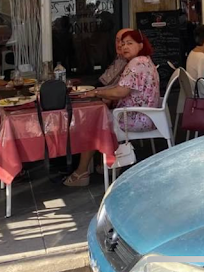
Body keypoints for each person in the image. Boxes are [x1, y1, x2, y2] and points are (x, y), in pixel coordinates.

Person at [68, 30, 161, 187]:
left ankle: (82, 172)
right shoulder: (144, 60)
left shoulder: (136, 63)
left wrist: (96, 92)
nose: (124, 47)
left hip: (137, 118)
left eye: (129, 43)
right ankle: (102, 164)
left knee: (93, 122)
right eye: (122, 43)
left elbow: (120, 91)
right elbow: (120, 88)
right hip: (146, 115)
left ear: (141, 45)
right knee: (99, 115)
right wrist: (98, 93)